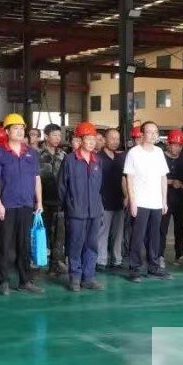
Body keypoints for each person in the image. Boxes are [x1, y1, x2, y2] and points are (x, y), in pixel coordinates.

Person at [0, 113, 44, 295]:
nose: (20, 131)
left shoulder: (31, 153)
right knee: (5, 245)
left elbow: (37, 179)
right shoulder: (0, 153)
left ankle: (25, 281)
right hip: (7, 205)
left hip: (26, 205)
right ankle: (3, 281)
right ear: (7, 131)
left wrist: (39, 202)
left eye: (22, 129)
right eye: (15, 128)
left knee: (24, 244)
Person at [58, 122, 105, 292]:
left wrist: (98, 207)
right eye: (88, 139)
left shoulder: (97, 161)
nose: (92, 142)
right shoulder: (70, 160)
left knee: (91, 245)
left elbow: (99, 186)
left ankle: (88, 277)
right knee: (75, 244)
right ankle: (75, 278)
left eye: (94, 139)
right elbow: (62, 187)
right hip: (76, 211)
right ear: (80, 140)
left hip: (94, 211)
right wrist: (70, 205)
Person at [123, 121, 171, 283]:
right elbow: (129, 179)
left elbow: (163, 177)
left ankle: (154, 267)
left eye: (155, 132)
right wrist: (133, 201)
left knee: (154, 236)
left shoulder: (159, 152)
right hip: (140, 202)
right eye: (149, 132)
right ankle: (135, 268)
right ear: (142, 134)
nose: (153, 135)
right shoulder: (133, 153)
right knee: (137, 237)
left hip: (156, 202)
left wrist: (164, 200)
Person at [160, 129, 183, 268]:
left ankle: (179, 255)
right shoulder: (160, 158)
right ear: (168, 144)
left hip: (180, 199)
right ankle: (159, 256)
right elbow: (156, 177)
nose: (177, 148)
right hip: (164, 198)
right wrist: (171, 182)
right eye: (174, 145)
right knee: (162, 228)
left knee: (180, 228)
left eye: (180, 146)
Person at [39, 124, 67, 275]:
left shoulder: (63, 155)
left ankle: (56, 263)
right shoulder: (37, 154)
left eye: (59, 135)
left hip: (59, 201)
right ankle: (39, 261)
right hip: (42, 201)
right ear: (46, 136)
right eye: (54, 135)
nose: (58, 138)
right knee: (42, 232)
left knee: (59, 234)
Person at [96, 128, 126, 271]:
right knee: (102, 232)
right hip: (103, 201)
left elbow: (125, 179)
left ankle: (117, 260)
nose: (115, 141)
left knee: (118, 233)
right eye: (112, 138)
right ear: (105, 140)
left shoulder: (121, 159)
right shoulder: (98, 158)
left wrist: (127, 196)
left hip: (119, 201)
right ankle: (101, 260)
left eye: (117, 139)